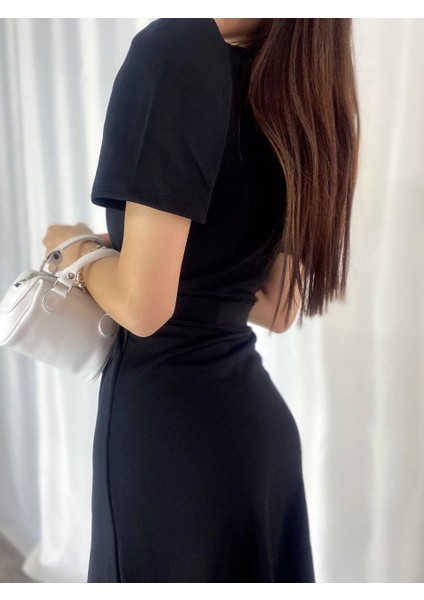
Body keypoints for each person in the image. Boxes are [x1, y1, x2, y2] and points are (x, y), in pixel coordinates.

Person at [42, 17, 360, 583]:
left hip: (172, 444)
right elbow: (277, 309)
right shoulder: (304, 90)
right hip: (256, 445)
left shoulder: (176, 49)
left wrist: (73, 247)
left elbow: (143, 307)